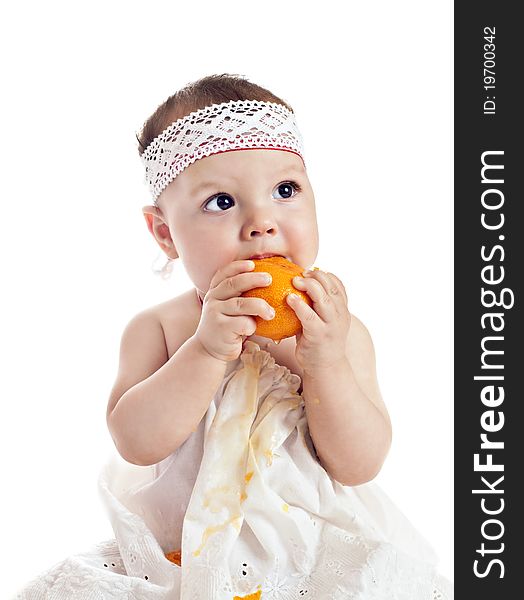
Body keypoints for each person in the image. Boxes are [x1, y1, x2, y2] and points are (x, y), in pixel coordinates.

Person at [14, 74, 451, 599]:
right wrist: (206, 351)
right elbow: (134, 442)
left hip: (313, 556)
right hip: (179, 556)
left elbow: (358, 465)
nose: (262, 222)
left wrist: (328, 364)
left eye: (285, 191)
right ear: (165, 233)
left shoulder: (336, 332)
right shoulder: (161, 329)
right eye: (221, 202)